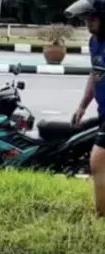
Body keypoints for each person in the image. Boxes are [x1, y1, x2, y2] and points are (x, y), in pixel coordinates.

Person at [67, 0, 105, 216]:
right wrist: (82, 105)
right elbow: (95, 73)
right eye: (85, 20)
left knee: (98, 161)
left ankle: (101, 217)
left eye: (92, 19)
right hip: (103, 112)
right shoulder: (94, 43)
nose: (88, 24)